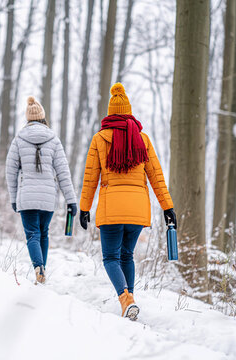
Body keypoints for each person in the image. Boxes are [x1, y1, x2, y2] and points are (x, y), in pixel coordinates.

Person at [79, 83, 177, 321]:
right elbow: (156, 176)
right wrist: (168, 207)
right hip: (137, 210)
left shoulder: (100, 138)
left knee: (110, 258)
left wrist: (84, 208)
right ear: (129, 112)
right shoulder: (142, 139)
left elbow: (91, 177)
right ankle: (129, 302)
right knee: (126, 256)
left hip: (111, 209)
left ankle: (126, 300)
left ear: (110, 113)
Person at [6, 96, 77, 284]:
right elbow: (63, 172)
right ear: (43, 117)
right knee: (43, 232)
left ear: (28, 118)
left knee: (32, 234)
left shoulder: (19, 139)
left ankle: (38, 267)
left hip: (27, 196)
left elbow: (10, 171)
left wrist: (13, 198)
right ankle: (42, 270)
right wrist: (71, 200)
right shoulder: (53, 140)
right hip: (47, 198)